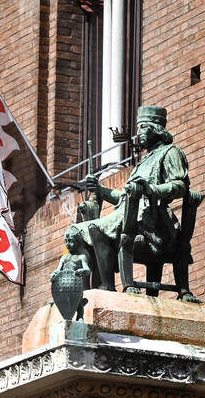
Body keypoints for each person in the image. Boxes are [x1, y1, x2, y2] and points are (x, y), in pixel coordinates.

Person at [83, 105, 196, 300]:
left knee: (97, 229)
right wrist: (100, 190)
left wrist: (152, 190)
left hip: (155, 223)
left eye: (143, 127)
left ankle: (110, 288)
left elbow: (180, 186)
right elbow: (125, 198)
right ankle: (106, 288)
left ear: (157, 128)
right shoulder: (142, 164)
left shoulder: (170, 152)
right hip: (131, 216)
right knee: (92, 230)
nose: (138, 134)